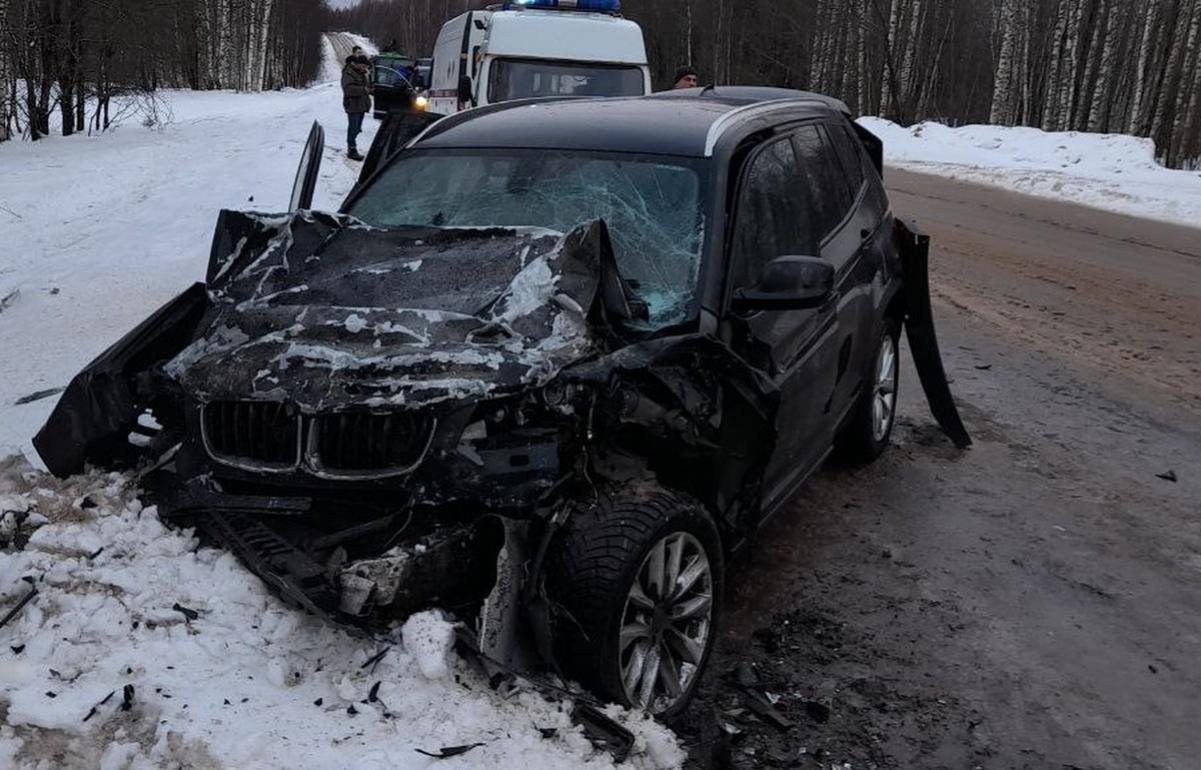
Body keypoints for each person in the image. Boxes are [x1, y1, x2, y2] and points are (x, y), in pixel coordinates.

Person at [342, 49, 372, 161]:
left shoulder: (361, 73)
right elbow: (348, 90)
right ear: (359, 64)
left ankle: (352, 145)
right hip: (353, 104)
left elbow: (366, 87)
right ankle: (352, 149)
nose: (365, 69)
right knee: (353, 127)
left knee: (357, 128)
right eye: (364, 66)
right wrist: (364, 90)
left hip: (361, 105)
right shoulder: (348, 72)